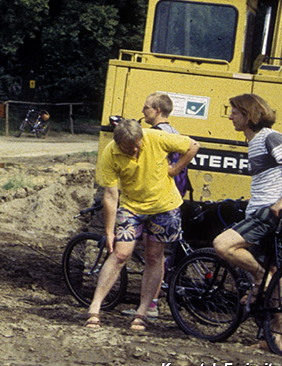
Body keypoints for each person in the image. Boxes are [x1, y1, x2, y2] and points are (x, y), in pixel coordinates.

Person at [84, 118, 199, 330]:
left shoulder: (155, 137)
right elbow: (110, 195)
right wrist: (109, 231)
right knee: (120, 253)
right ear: (119, 144)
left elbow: (193, 145)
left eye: (138, 145)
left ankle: (143, 312)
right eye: (130, 148)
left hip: (164, 206)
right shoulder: (110, 153)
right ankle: (95, 307)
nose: (135, 150)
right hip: (132, 207)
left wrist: (175, 169)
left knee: (154, 256)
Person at [213, 94, 282, 314]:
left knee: (222, 244)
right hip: (263, 209)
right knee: (277, 273)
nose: (230, 117)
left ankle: (260, 279)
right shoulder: (256, 141)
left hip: (269, 212)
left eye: (234, 112)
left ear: (248, 116)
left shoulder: (270, 137)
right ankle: (276, 340)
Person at [130, 92, 189, 319]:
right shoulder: (173, 132)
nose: (143, 111)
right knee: (157, 253)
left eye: (146, 108)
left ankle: (151, 304)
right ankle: (152, 302)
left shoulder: (154, 134)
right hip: (172, 194)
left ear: (157, 111)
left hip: (157, 199)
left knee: (153, 254)